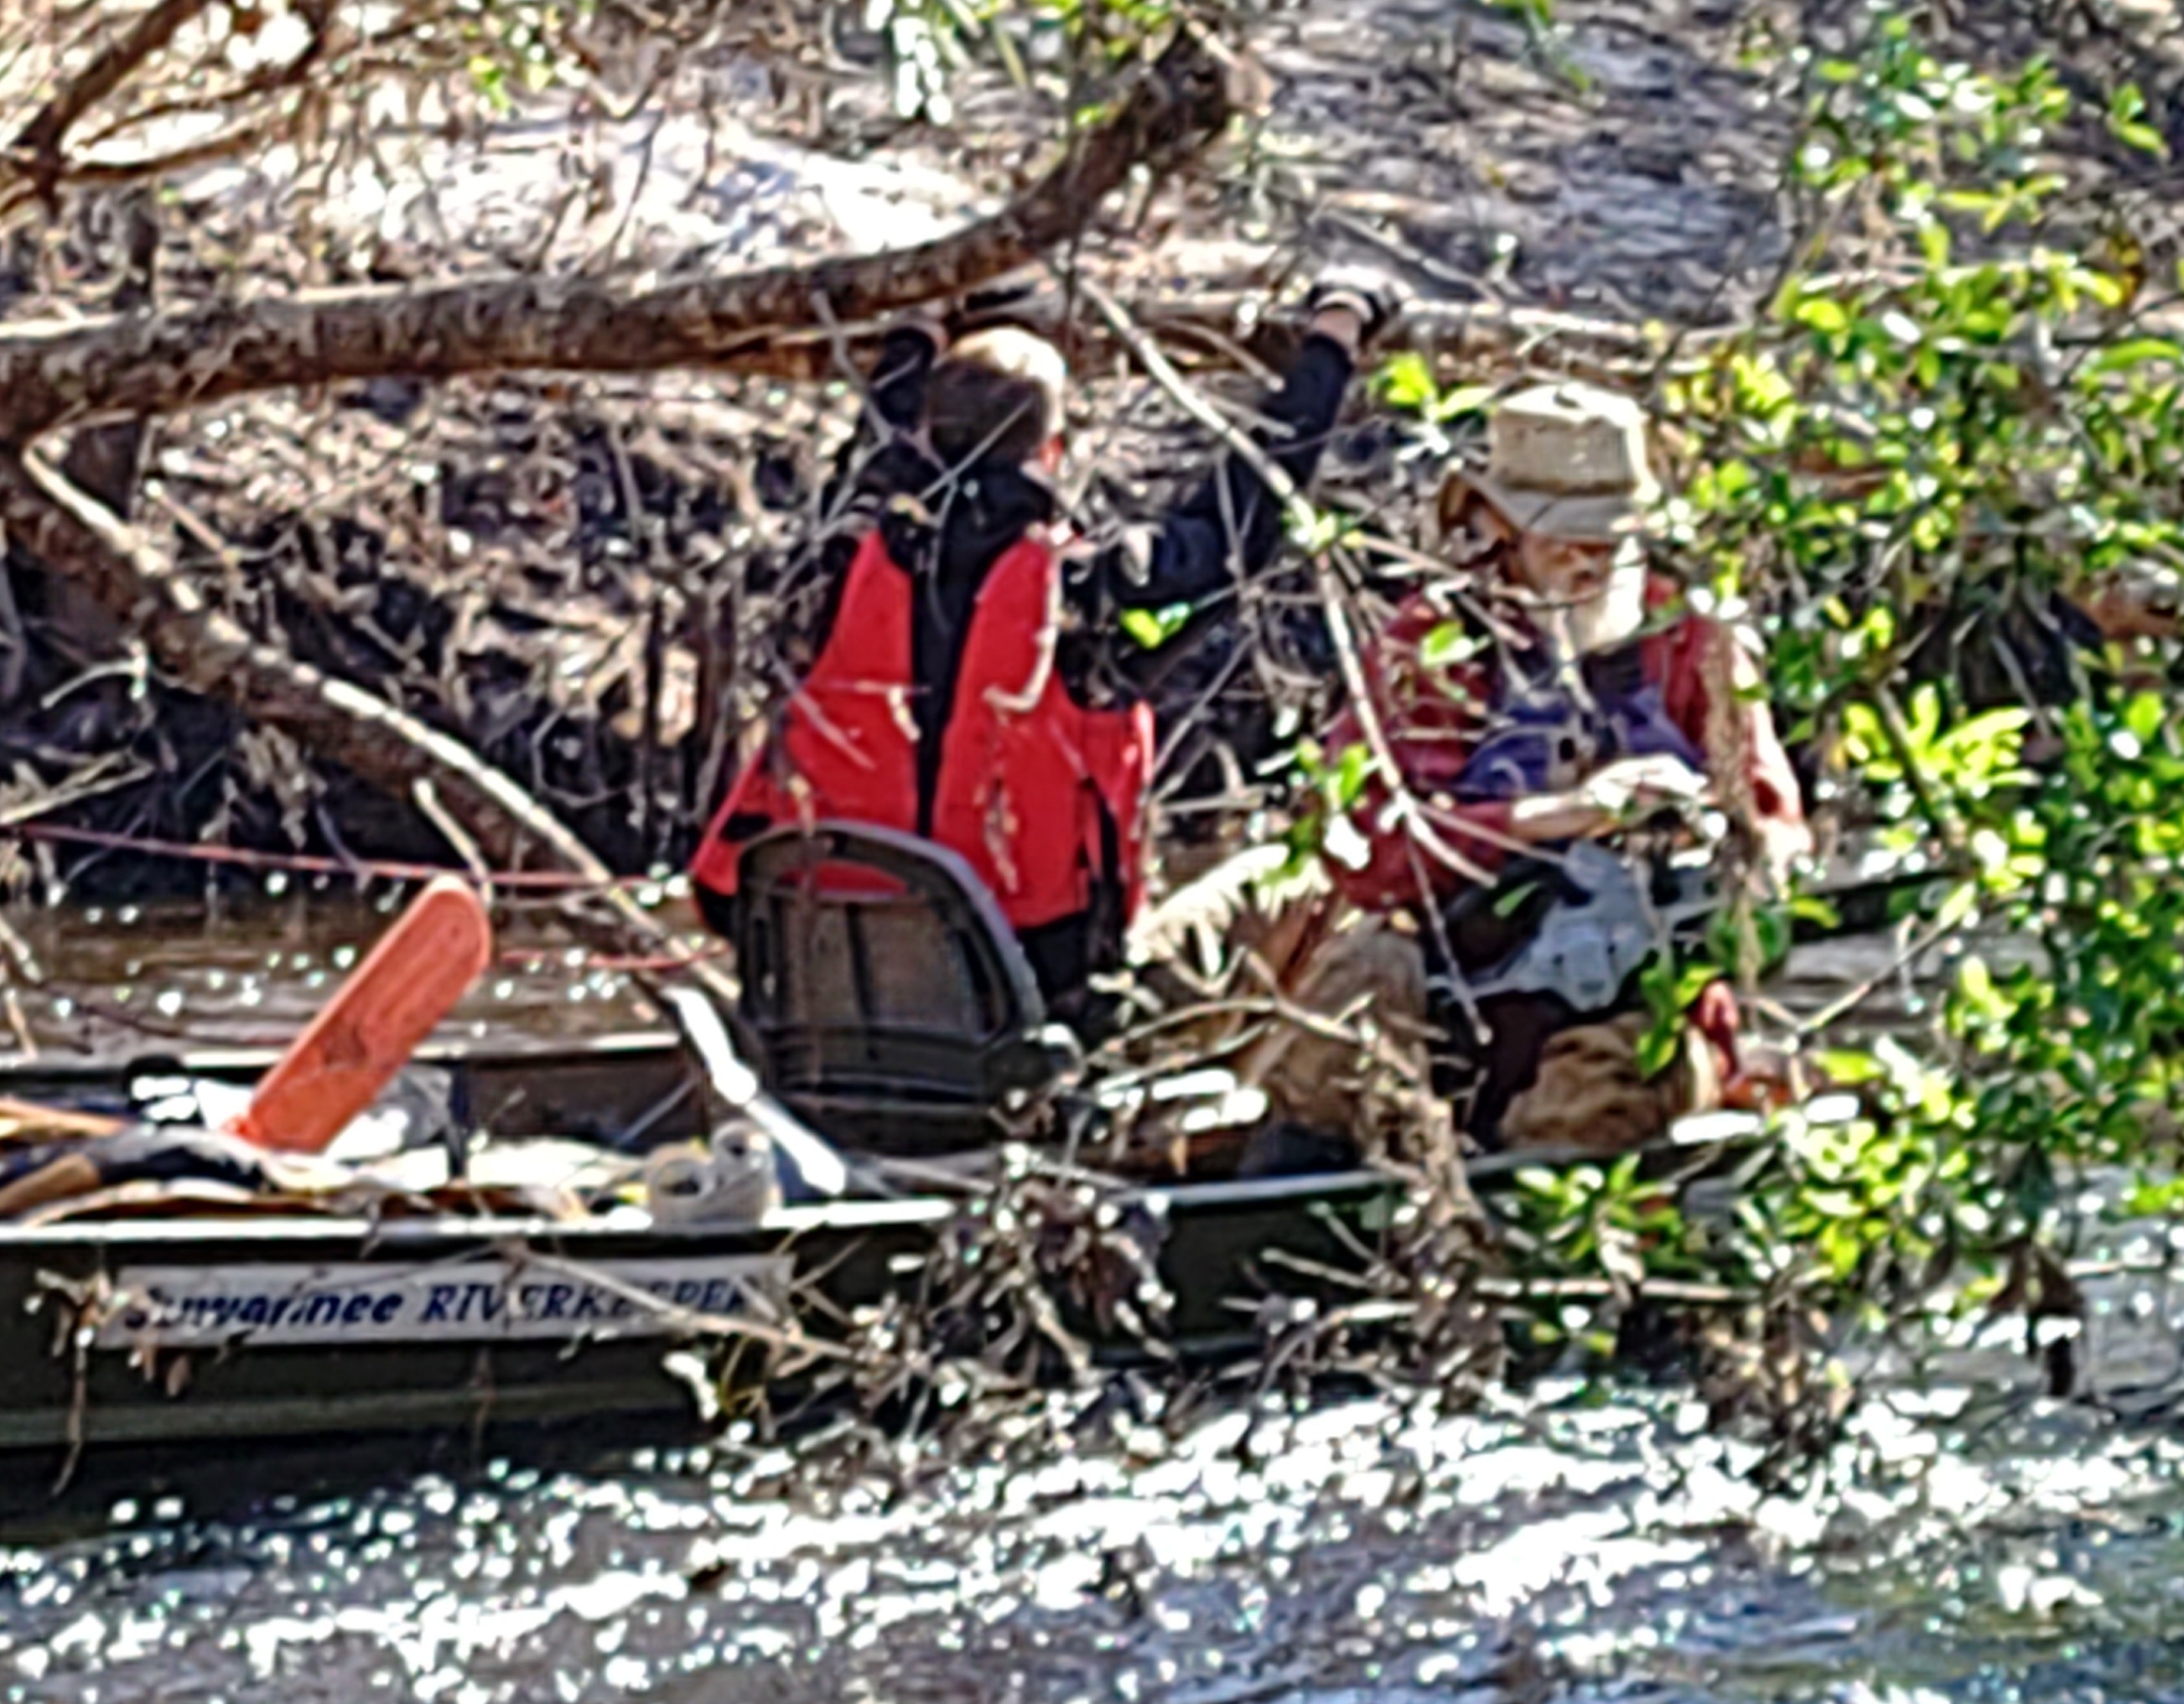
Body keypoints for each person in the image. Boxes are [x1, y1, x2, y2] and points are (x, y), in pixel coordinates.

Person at [690, 274, 1391, 1032]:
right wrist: (1334, 338)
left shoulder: (835, 561)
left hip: (815, 962)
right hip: (1027, 982)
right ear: (1053, 451)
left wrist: (918, 329)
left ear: (928, 429)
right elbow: (1246, 511)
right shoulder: (1082, 593)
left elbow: (874, 453)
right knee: (1277, 879)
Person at [1269, 378, 1810, 1152]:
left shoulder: (1696, 646)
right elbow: (1365, 846)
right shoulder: (1432, 646)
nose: (1587, 559)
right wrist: (1560, 815)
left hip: (1631, 1004)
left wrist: (1730, 849)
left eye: (1609, 538)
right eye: (1561, 534)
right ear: (1497, 525)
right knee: (1346, 1012)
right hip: (1452, 987)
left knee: (1600, 1108)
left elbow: (1774, 825)